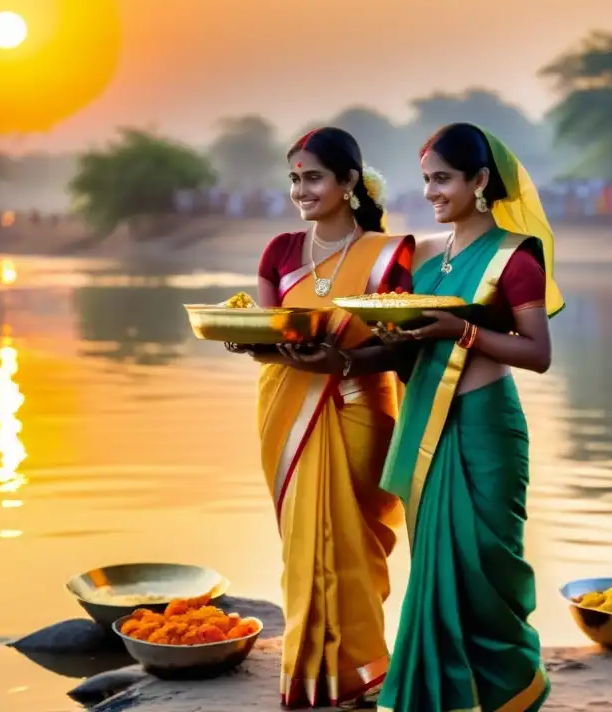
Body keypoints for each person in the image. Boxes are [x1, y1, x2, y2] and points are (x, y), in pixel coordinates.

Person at [372, 123, 564, 711]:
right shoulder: (423, 254)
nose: (432, 191)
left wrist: (464, 330)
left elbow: (538, 354)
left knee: (487, 566)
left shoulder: (515, 256)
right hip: (426, 419)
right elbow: (407, 346)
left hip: (485, 425)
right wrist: (341, 354)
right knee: (435, 565)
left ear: (480, 180)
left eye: (444, 179)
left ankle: (510, 692)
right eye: (427, 179)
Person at [228, 126, 414, 708]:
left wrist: (346, 359)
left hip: (363, 403)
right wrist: (244, 342)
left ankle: (362, 668)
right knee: (304, 542)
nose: (300, 189)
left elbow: (406, 344)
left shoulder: (388, 255)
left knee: (356, 540)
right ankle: (318, 675)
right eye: (294, 178)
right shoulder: (280, 252)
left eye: (312, 177)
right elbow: (265, 334)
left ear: (348, 182)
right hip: (288, 408)